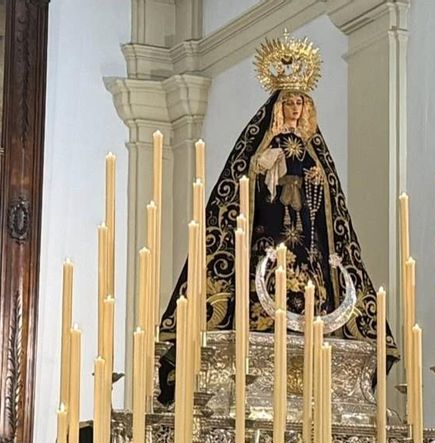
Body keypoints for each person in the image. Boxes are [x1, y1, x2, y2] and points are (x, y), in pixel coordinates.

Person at [157, 35, 384, 396]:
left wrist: (317, 180)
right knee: (269, 272)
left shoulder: (314, 149)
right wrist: (269, 167)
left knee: (312, 278)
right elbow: (249, 180)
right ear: (279, 107)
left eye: (299, 102)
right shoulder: (268, 143)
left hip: (307, 236)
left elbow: (331, 202)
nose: (294, 108)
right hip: (272, 230)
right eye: (289, 102)